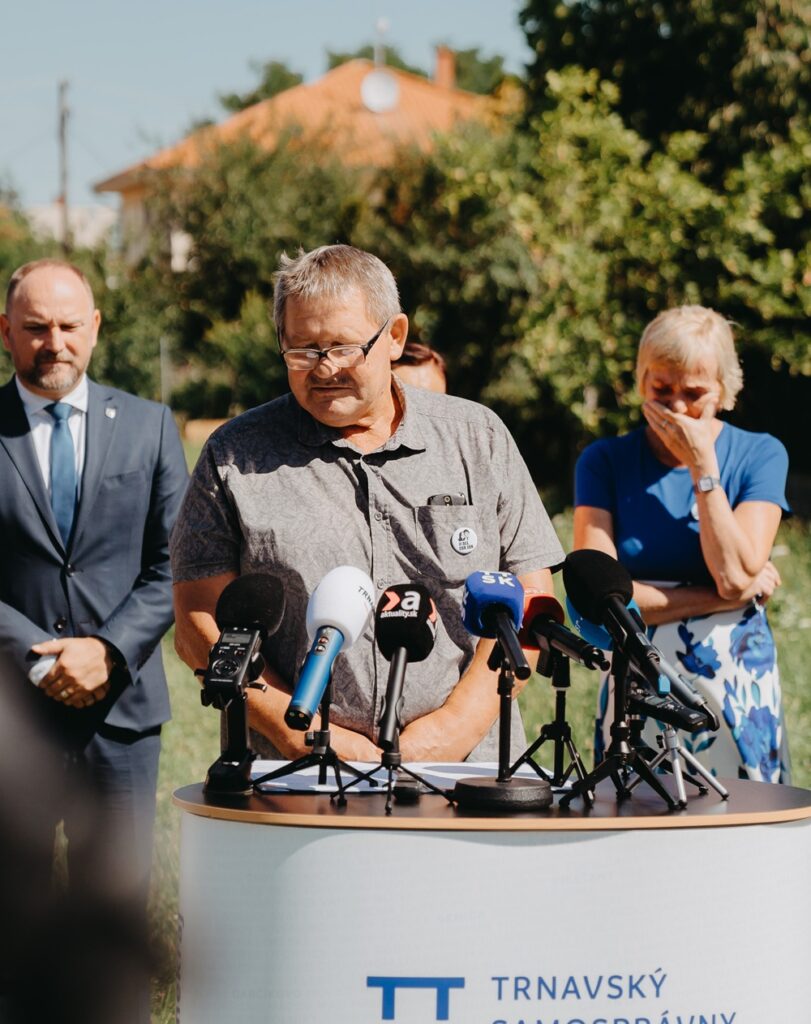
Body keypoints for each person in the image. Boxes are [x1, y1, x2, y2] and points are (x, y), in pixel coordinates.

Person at [171, 244, 563, 763]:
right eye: (303, 350)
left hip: (465, 772)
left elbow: (531, 600)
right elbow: (199, 626)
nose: (324, 368)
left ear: (394, 337)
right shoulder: (232, 457)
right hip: (293, 775)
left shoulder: (478, 437)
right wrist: (296, 731)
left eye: (342, 346)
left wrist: (454, 728)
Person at [0, 259, 188, 1018]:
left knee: (116, 911)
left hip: (122, 713)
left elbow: (175, 559)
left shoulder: (149, 426)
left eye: (69, 325)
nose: (54, 342)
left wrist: (106, 652)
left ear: (96, 328)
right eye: (36, 326)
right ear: (5, 330)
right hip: (13, 717)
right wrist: (35, 657)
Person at [574, 305, 790, 783]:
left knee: (743, 818)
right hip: (640, 677)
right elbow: (598, 602)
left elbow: (733, 570)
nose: (675, 407)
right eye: (661, 389)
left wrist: (702, 469)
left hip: (735, 681)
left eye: (693, 394)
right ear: (641, 380)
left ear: (725, 391)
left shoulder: (760, 454)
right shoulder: (604, 461)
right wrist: (721, 597)